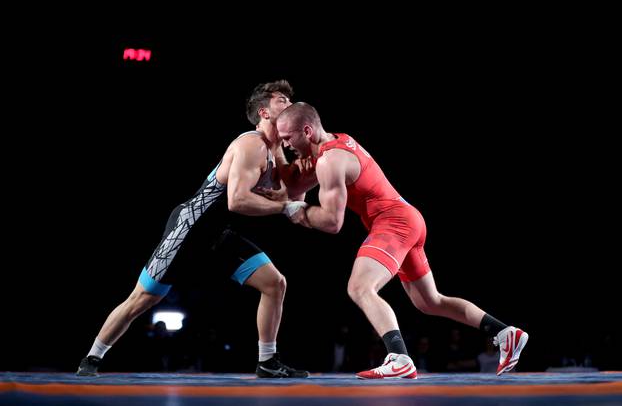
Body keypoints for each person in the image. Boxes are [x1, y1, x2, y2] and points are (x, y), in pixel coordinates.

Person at [269, 102, 528, 379]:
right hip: (408, 218)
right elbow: (295, 186)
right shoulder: (336, 144)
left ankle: (399, 358)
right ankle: (504, 332)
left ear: (307, 131)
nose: (286, 145)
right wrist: (277, 160)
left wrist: (298, 212)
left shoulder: (329, 161)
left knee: (360, 287)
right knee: (430, 301)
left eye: (287, 139)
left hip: (395, 223)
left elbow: (333, 222)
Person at [76, 80, 310, 378]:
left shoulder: (278, 153)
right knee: (143, 299)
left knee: (275, 283)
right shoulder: (251, 144)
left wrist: (308, 172)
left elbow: (292, 199)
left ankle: (267, 362)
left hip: (219, 236)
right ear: (264, 112)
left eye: (290, 100)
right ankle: (92, 358)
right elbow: (238, 201)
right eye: (281, 100)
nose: (289, 103)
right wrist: (284, 206)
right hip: (190, 228)